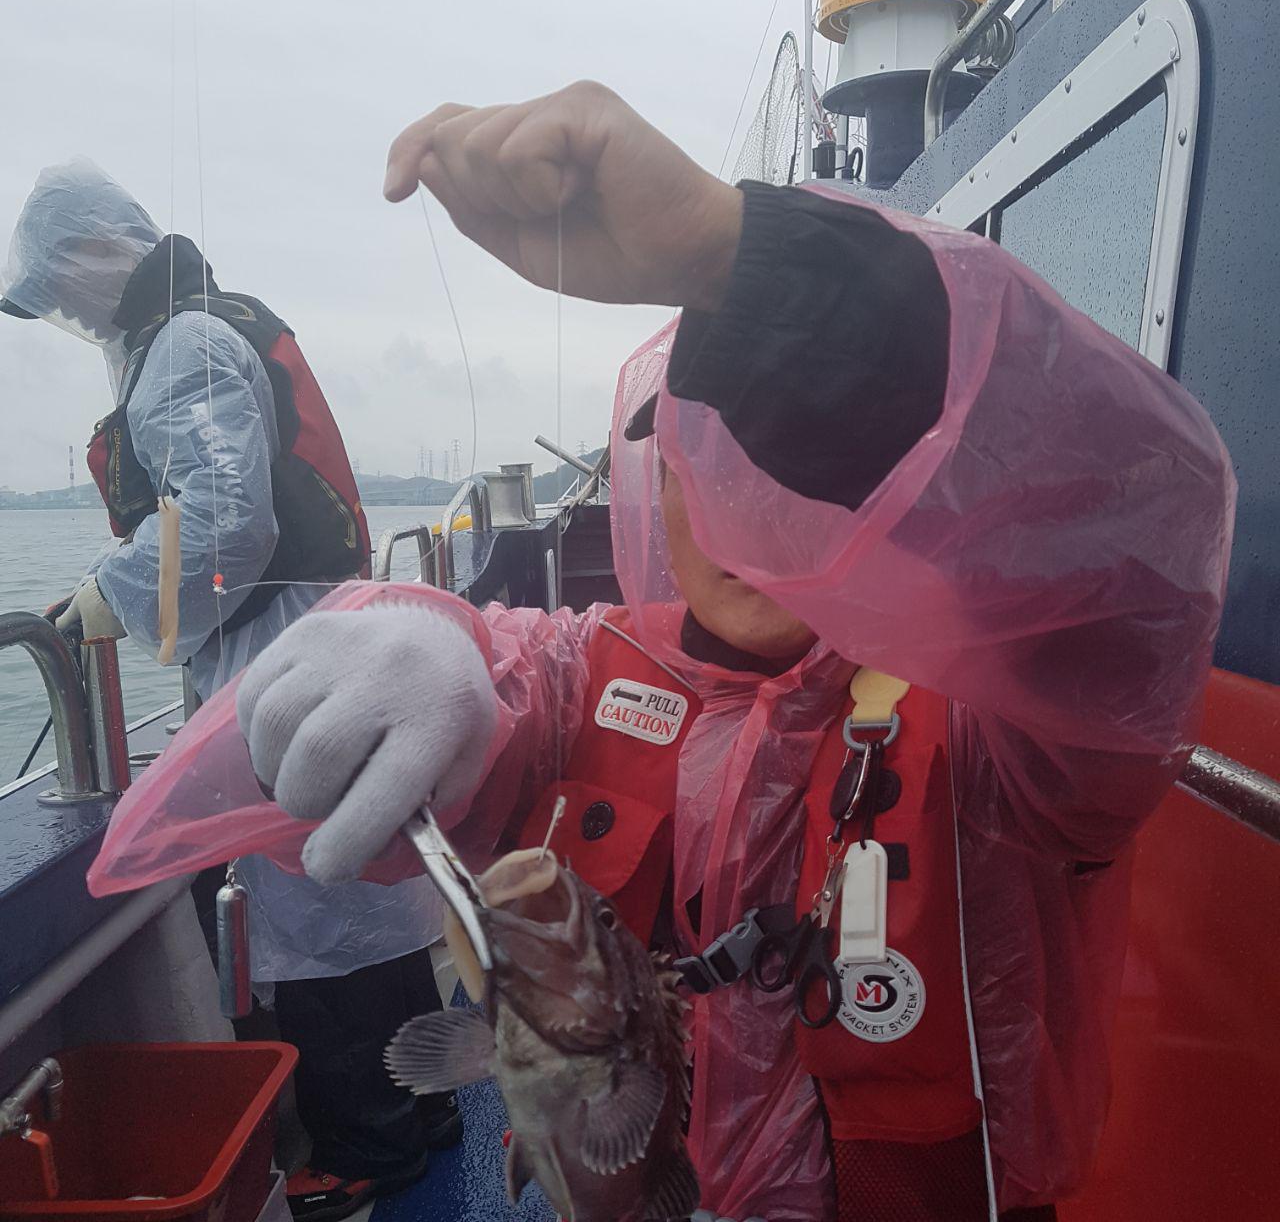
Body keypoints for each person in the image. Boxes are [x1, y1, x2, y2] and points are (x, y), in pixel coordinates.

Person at [233, 84, 1235, 1221]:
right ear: (651, 488)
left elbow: (1133, 546)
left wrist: (737, 261)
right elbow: (503, 676)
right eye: (694, 464)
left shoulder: (1006, 732)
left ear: (890, 490)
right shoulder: (579, 673)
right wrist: (416, 643)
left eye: (792, 468)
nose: (739, 513)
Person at [0, 161, 461, 1221]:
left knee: (311, 904)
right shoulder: (210, 326)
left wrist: (115, 594)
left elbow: (225, 520)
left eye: (64, 284)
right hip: (313, 640)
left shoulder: (184, 345)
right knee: (365, 888)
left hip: (280, 655)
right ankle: (423, 1110)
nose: (67, 309)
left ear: (97, 254)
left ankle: (367, 1152)